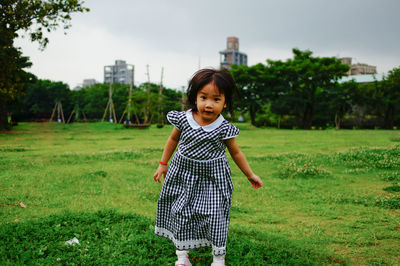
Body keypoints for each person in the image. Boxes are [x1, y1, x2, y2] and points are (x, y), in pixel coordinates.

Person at [153, 68, 262, 266]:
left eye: (216, 99)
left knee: (215, 215)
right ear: (195, 98)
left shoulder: (224, 128)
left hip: (213, 178)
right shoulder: (183, 119)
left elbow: (236, 153)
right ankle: (182, 257)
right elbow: (172, 139)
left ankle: (218, 259)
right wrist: (162, 164)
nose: (209, 105)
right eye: (203, 97)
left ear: (225, 102)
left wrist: (250, 174)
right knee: (181, 212)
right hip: (182, 174)